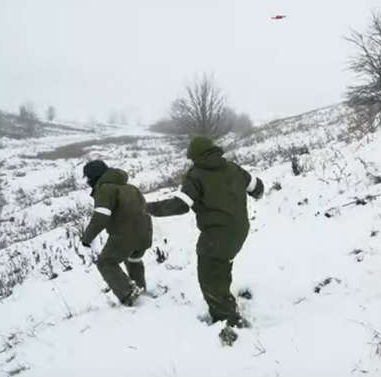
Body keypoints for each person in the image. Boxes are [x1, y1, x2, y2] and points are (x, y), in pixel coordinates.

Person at [146, 136, 264, 327]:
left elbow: (180, 206)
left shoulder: (196, 175)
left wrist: (148, 208)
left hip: (217, 235)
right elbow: (258, 189)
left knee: (209, 277)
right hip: (240, 229)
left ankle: (228, 321)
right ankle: (226, 302)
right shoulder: (233, 168)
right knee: (221, 265)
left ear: (195, 156)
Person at [81, 160, 153, 306]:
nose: (87, 181)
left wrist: (87, 238)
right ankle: (140, 289)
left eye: (88, 177)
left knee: (105, 262)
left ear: (94, 176)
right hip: (145, 232)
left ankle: (129, 294)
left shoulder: (105, 189)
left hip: (126, 235)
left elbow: (100, 218)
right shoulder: (131, 188)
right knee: (133, 259)